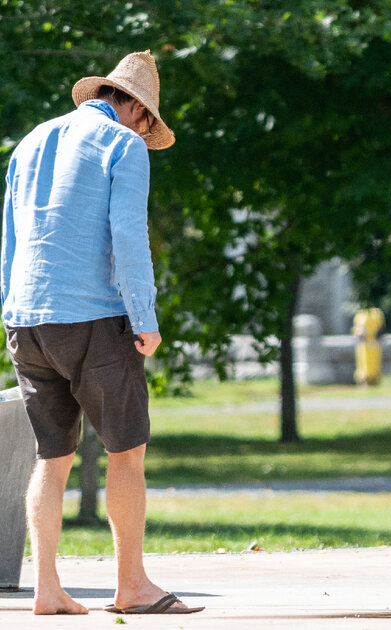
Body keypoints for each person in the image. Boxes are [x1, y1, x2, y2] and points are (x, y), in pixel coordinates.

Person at [2, 51, 201, 615]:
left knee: (52, 456)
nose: (145, 131)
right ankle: (132, 585)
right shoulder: (123, 146)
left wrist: (9, 307)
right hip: (92, 318)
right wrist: (145, 318)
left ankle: (46, 589)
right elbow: (127, 237)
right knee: (127, 451)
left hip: (26, 318)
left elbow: (10, 235)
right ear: (134, 106)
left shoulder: (32, 140)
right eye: (147, 120)